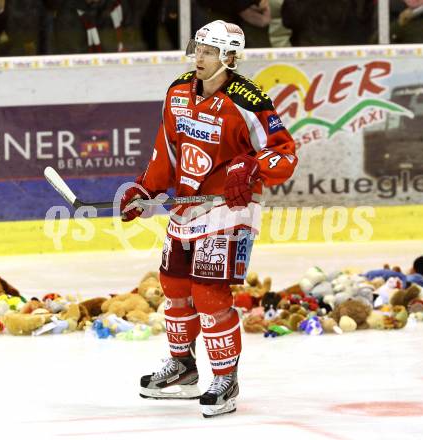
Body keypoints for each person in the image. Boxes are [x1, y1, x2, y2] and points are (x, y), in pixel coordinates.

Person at [120, 20, 298, 418]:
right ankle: (183, 368)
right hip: (187, 206)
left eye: (208, 51)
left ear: (229, 57)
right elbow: (165, 152)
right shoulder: (179, 91)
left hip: (230, 210)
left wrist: (251, 167)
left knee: (208, 292)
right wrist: (145, 190)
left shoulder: (248, 100)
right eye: (197, 48)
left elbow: (284, 154)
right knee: (173, 285)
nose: (198, 57)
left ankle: (226, 378)